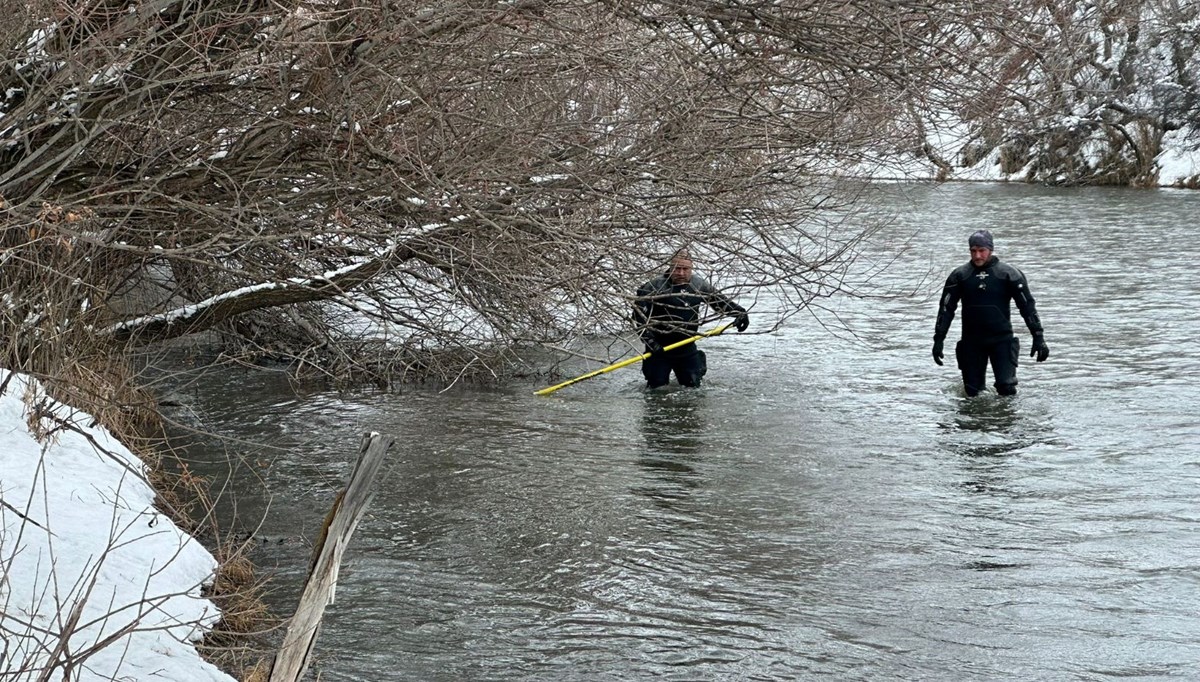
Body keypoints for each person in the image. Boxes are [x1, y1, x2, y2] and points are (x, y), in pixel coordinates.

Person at [932, 229, 1049, 397]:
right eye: (973, 251)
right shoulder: (960, 276)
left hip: (1002, 341)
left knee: (1006, 389)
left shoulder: (1009, 274)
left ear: (991, 250)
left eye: (982, 251)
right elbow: (946, 309)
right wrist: (939, 339)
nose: (978, 256)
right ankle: (975, 423)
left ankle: (1006, 422)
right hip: (972, 343)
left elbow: (1027, 307)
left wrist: (1038, 337)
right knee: (972, 394)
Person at [632, 250, 749, 388]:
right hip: (659, 349)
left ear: (691, 268)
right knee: (656, 388)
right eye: (677, 269)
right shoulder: (654, 287)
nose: (681, 273)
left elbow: (720, 303)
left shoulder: (699, 285)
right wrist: (651, 342)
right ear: (670, 268)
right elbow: (637, 318)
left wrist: (740, 313)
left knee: (693, 387)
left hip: (687, 347)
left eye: (685, 269)